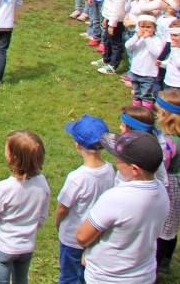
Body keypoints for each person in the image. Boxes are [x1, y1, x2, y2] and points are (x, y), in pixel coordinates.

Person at [75, 131, 168, 284]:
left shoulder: (116, 198)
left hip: (108, 277)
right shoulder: (161, 191)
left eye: (119, 158)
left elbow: (82, 236)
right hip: (144, 274)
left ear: (135, 169)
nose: (115, 160)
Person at [0, 131, 50, 284]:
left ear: (12, 157)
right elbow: (42, 216)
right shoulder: (42, 183)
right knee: (21, 279)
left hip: (4, 247)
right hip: (27, 246)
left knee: (1, 281)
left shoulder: (4, 188)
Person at [55, 115, 113, 284]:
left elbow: (62, 208)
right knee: (86, 275)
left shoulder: (76, 178)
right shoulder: (110, 169)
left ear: (78, 145)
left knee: (69, 276)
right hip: (96, 234)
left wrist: (57, 222)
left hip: (73, 237)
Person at [154, 90, 180, 274]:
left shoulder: (168, 143)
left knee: (161, 227)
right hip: (178, 182)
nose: (157, 115)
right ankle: (167, 259)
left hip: (166, 184)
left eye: (159, 112)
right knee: (172, 224)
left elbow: (161, 167)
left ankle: (156, 264)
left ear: (167, 116)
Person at [94, 0, 132, 75]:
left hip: (116, 22)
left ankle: (113, 65)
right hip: (110, 19)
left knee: (116, 43)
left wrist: (112, 24)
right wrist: (106, 18)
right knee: (107, 40)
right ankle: (106, 58)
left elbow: (117, 9)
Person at [126, 15, 165, 107]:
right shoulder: (138, 38)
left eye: (148, 27)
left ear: (154, 28)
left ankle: (146, 111)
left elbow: (156, 53)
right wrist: (136, 37)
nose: (145, 29)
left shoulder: (156, 40)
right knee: (137, 93)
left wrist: (147, 39)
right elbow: (128, 46)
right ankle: (137, 109)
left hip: (148, 73)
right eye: (142, 27)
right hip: (136, 70)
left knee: (146, 95)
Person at [158, 20, 180, 93]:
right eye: (171, 35)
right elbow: (171, 62)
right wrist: (162, 64)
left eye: (175, 35)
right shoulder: (176, 48)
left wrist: (174, 49)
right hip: (169, 81)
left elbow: (179, 64)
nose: (172, 38)